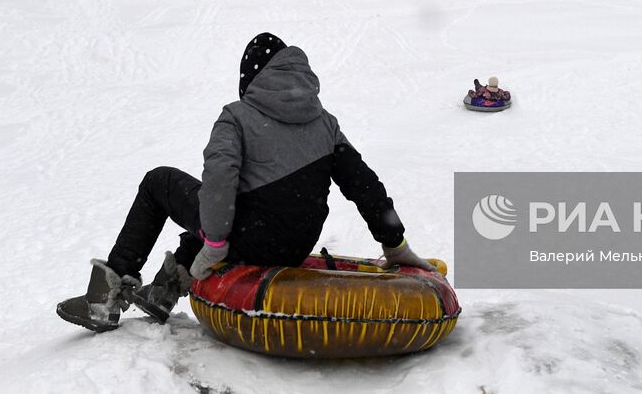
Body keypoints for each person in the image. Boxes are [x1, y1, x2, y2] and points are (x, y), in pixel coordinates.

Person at [57, 33, 436, 333]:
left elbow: (220, 185)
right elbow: (363, 184)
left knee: (161, 183)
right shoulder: (326, 123)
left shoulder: (236, 118)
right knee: (219, 213)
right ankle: (162, 293)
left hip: (246, 238)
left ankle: (104, 297)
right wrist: (394, 242)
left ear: (250, 78)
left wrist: (216, 246)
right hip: (292, 245)